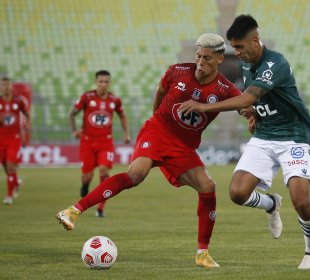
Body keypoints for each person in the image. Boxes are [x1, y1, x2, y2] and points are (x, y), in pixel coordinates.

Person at [56, 33, 242, 268]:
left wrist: (223, 109)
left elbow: (245, 102)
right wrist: (156, 121)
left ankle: (202, 253)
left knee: (208, 187)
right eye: (198, 56)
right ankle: (74, 210)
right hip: (158, 131)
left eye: (206, 58)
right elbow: (160, 92)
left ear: (219, 59)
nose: (200, 63)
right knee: (136, 175)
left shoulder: (224, 87)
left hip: (183, 146)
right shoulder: (177, 71)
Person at [179, 15, 310, 270]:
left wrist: (203, 106)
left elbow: (247, 98)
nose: (237, 52)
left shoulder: (274, 62)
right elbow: (255, 100)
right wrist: (256, 113)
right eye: (234, 47)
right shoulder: (246, 64)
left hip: (293, 136)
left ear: (255, 40)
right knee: (238, 193)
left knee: (301, 200)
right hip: (265, 135)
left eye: (240, 47)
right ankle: (271, 204)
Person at [69, 70, 131, 217]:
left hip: (106, 142)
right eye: (101, 82)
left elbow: (122, 115)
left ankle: (100, 208)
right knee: (87, 176)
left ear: (109, 83)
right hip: (87, 142)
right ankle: (85, 185)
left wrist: (126, 133)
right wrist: (74, 130)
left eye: (106, 82)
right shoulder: (86, 97)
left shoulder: (114, 100)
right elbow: (71, 113)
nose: (103, 84)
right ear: (96, 82)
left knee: (104, 171)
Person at [0, 77, 30, 205]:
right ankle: (15, 182)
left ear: (11, 86)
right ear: (1, 87)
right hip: (1, 139)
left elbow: (26, 114)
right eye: (3, 85)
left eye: (8, 85)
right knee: (6, 166)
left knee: (11, 166)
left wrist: (26, 128)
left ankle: (9, 195)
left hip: (14, 139)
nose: (6, 87)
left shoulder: (19, 101)